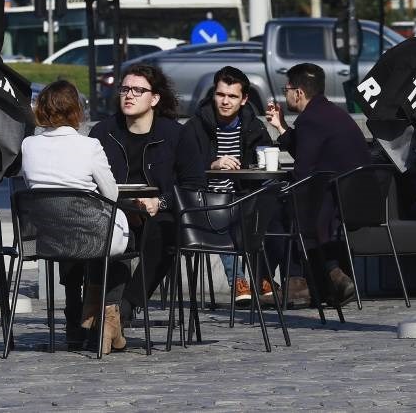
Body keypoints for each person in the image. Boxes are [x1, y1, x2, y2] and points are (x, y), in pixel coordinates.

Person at [89, 64, 206, 324]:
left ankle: (126, 307)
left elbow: (193, 185)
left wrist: (160, 202)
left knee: (164, 230)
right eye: (125, 89)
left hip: (158, 214)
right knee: (103, 230)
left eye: (138, 90)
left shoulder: (176, 134)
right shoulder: (102, 133)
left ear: (154, 98)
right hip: (113, 212)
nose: (129, 95)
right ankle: (90, 310)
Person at [20, 80, 130, 353]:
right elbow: (112, 193)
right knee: (120, 240)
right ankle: (105, 318)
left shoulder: (28, 145)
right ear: (76, 110)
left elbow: (32, 186)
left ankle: (74, 322)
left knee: (70, 232)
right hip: (91, 236)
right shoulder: (89, 145)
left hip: (49, 238)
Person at [265, 63, 370, 308]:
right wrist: (281, 127)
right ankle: (334, 277)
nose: (285, 94)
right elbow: (307, 148)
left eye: (287, 89)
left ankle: (296, 285)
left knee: (280, 209)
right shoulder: (328, 113)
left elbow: (302, 171)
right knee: (293, 203)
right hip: (358, 199)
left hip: (337, 203)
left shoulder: (310, 119)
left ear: (299, 92)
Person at [184, 66, 276, 307]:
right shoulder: (196, 126)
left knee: (270, 208)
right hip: (206, 199)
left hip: (243, 195)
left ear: (244, 99)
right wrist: (213, 163)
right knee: (225, 214)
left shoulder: (253, 126)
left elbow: (264, 155)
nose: (225, 101)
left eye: (232, 96)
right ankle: (238, 280)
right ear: (214, 94)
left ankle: (262, 277)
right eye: (220, 94)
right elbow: (182, 164)